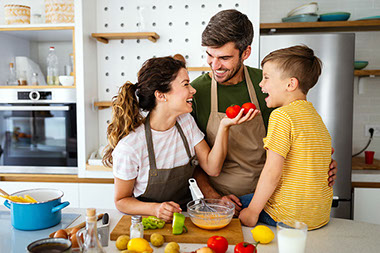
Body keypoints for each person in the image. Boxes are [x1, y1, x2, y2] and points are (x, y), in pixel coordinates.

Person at [191, 9, 337, 214]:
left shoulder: (270, 85)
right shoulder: (197, 92)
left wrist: (321, 162)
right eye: (209, 55)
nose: (214, 65)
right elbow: (191, 162)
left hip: (273, 202)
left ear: (246, 53)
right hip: (221, 203)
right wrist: (214, 198)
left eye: (224, 57)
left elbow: (299, 136)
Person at [102, 57, 255, 222]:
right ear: (161, 95)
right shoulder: (131, 146)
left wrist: (224, 126)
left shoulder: (185, 122)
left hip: (186, 218)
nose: (193, 90)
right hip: (148, 222)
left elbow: (212, 168)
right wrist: (155, 209)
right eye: (186, 84)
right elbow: (121, 201)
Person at [238, 45, 333, 230]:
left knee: (233, 203)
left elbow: (272, 172)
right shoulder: (315, 117)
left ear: (290, 84)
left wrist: (252, 212)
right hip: (318, 216)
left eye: (266, 78)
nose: (261, 84)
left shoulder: (282, 116)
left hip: (288, 216)